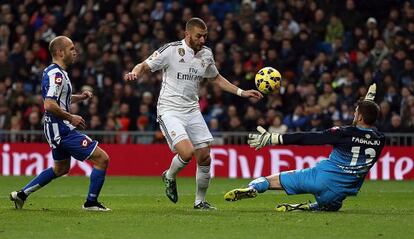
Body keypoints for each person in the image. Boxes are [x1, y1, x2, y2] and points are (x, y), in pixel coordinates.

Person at [124, 17, 263, 209]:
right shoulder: (171, 50)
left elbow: (216, 78)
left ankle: (200, 201)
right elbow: (144, 65)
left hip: (192, 110)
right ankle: (169, 175)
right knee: (187, 152)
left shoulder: (206, 54)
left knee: (205, 156)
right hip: (169, 109)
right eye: (199, 36)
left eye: (205, 36)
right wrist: (135, 72)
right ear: (187, 34)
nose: (203, 40)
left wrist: (242, 92)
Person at [224, 84, 385, 212]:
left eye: (356, 113)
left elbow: (307, 137)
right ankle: (306, 207)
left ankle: (253, 187)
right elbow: (364, 130)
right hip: (340, 192)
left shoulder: (342, 133)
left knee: (272, 180)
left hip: (319, 178)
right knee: (332, 206)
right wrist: (368, 102)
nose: (354, 115)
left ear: (360, 116)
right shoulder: (380, 140)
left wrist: (275, 138)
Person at [9, 36, 111, 211]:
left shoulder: (55, 71)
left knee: (61, 168)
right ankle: (91, 203)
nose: (75, 52)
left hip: (54, 127)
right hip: (61, 128)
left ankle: (21, 194)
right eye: (71, 49)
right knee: (102, 159)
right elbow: (49, 104)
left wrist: (80, 96)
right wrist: (71, 118)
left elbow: (60, 99)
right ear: (60, 52)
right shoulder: (57, 75)